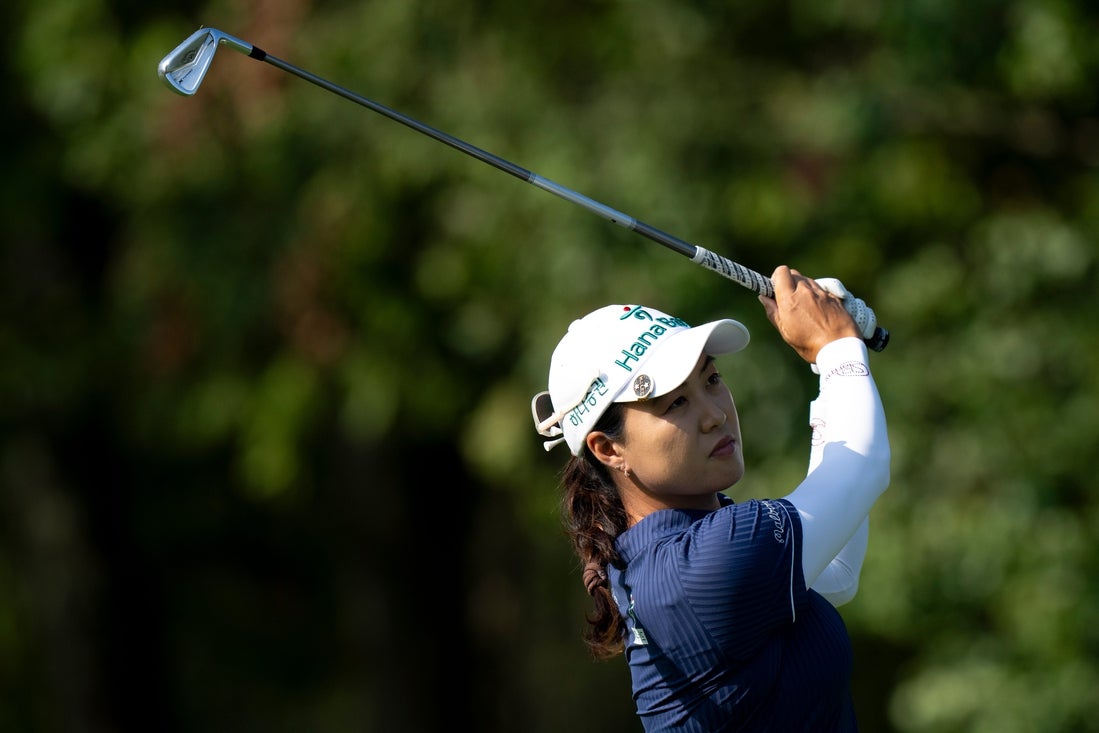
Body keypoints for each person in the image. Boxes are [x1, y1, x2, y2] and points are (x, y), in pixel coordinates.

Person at [530, 266, 890, 732]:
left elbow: (835, 572)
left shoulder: (674, 549)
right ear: (608, 449)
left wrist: (830, 362)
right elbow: (863, 466)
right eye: (676, 403)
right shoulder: (701, 565)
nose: (714, 414)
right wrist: (837, 347)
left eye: (712, 379)